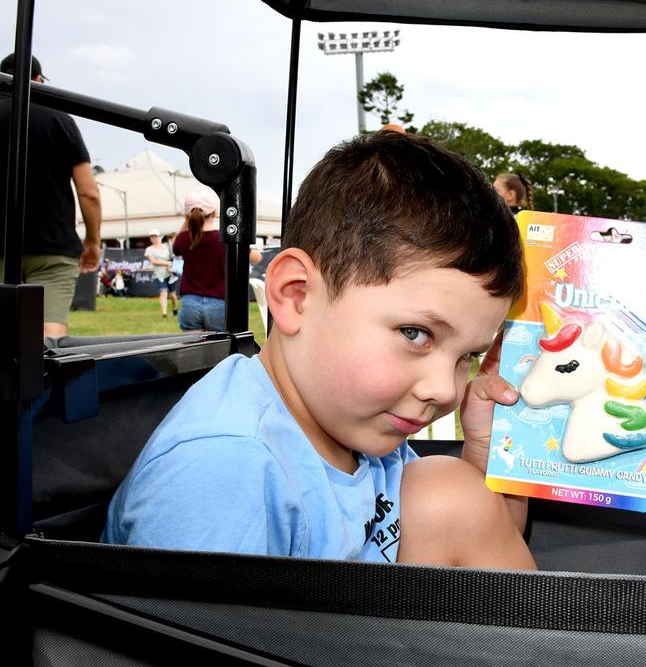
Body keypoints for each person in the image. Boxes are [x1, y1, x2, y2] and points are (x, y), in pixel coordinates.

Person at [103, 131, 535, 569]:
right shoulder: (225, 470)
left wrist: (487, 451)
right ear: (296, 296)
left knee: (447, 486)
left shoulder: (350, 417)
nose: (445, 390)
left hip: (359, 629)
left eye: (468, 357)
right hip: (287, 640)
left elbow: (476, 550)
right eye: (414, 334)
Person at [0, 54, 101, 337]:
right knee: (49, 336)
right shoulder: (60, 119)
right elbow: (88, 191)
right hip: (52, 245)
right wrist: (93, 242)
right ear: (38, 80)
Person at [172, 185, 261, 332]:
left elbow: (175, 247)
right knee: (220, 353)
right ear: (214, 212)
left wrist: (189, 218)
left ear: (187, 216)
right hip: (219, 304)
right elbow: (256, 258)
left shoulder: (183, 239)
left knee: (192, 352)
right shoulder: (225, 240)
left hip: (190, 303)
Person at [144, 229, 177, 317]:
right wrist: (166, 263)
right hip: (159, 275)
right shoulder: (149, 249)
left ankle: (174, 308)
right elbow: (153, 261)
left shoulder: (167, 246)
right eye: (152, 237)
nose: (154, 238)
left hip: (171, 273)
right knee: (163, 292)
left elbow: (174, 256)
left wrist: (172, 264)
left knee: (173, 295)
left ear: (159, 237)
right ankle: (164, 314)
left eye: (155, 236)